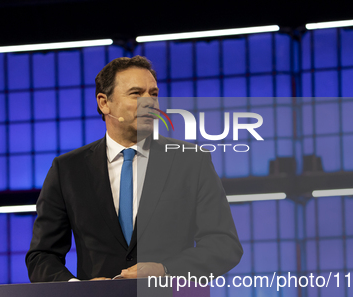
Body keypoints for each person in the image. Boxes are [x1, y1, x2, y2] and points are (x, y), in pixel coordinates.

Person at [26, 56, 242, 283]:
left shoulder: (191, 161)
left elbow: (224, 245)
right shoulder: (67, 169)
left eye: (154, 93)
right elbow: (42, 256)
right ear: (104, 103)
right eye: (136, 93)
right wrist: (78, 289)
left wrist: (165, 270)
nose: (150, 102)